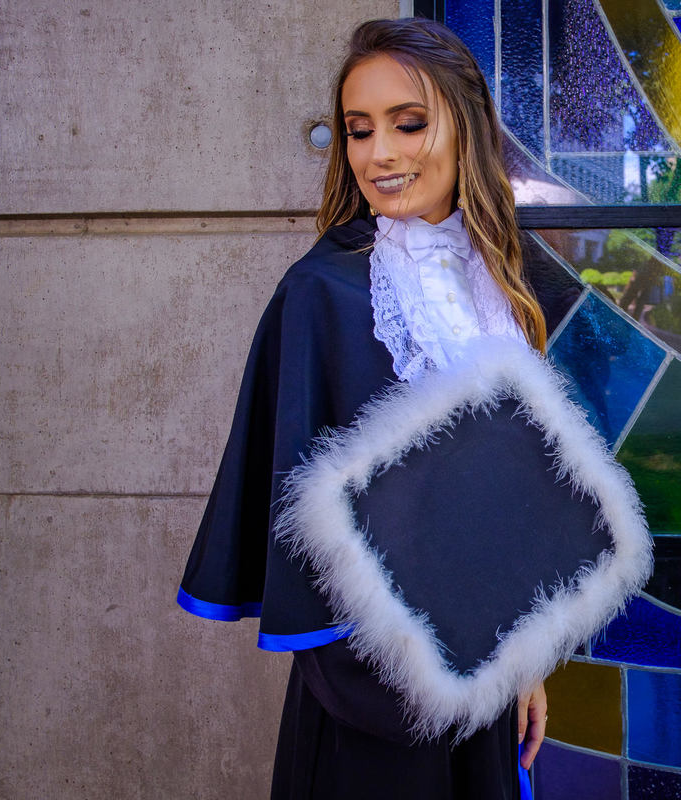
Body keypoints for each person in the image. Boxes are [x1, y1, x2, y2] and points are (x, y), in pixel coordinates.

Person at [177, 17, 588, 799]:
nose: (379, 154)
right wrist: (399, 680)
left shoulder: (501, 285)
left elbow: (512, 503)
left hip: (489, 676)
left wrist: (525, 663)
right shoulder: (320, 293)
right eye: (360, 131)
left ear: (467, 127)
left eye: (409, 123)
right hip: (373, 689)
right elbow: (304, 513)